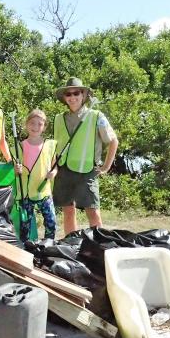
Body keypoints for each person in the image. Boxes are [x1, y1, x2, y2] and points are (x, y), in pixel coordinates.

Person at [51, 77, 118, 235]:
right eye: (68, 94)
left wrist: (106, 167)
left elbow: (113, 141)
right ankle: (70, 245)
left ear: (83, 95)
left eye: (76, 93)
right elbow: (54, 147)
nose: (72, 97)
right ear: (64, 98)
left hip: (87, 170)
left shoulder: (96, 116)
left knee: (93, 212)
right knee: (68, 212)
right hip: (64, 170)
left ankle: (99, 246)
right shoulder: (58, 119)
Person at [13, 109, 58, 241]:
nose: (35, 127)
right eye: (32, 123)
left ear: (44, 127)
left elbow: (55, 166)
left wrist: (53, 173)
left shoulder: (49, 145)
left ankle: (49, 245)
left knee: (51, 222)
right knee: (25, 225)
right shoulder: (20, 146)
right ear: (26, 124)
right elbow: (16, 170)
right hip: (26, 192)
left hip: (44, 191)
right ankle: (26, 248)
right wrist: (17, 169)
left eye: (40, 124)